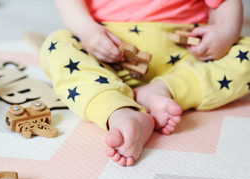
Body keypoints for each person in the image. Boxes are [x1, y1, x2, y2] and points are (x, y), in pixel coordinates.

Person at [40, 0, 250, 166]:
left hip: (186, 54)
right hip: (108, 52)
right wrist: (87, 31)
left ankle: (165, 89)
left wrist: (225, 31)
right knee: (57, 44)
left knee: (246, 51)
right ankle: (118, 108)